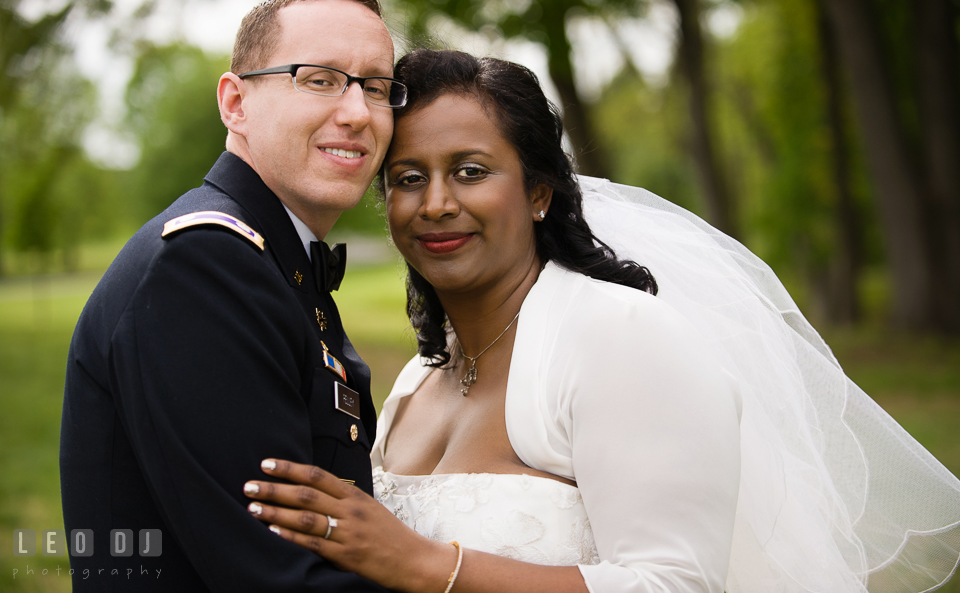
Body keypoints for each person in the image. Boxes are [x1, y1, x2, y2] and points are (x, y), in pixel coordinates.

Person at [245, 49, 960, 593]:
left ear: (538, 195)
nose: (434, 202)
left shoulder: (619, 338)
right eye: (408, 178)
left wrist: (432, 565)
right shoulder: (417, 380)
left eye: (469, 170)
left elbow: (676, 583)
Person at [60, 0, 403, 591]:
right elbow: (278, 577)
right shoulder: (203, 266)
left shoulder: (272, 260)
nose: (357, 112)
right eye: (319, 78)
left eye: (375, 87)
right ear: (235, 103)